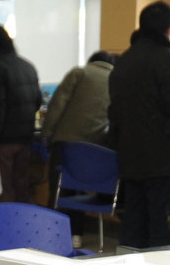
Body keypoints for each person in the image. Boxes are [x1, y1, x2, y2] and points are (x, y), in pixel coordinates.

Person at [107, 1, 170, 249]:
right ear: (168, 28)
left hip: (129, 156)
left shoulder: (123, 61)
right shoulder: (165, 58)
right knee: (162, 228)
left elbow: (114, 110)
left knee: (134, 225)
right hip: (161, 160)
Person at [42, 51, 116, 245]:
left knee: (59, 190)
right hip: (98, 150)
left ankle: (53, 234)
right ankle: (76, 235)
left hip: (67, 144)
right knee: (82, 190)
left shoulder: (80, 73)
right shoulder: (116, 80)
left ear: (91, 61)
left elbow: (58, 104)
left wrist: (47, 133)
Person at [0, 26, 42, 204]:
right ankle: (23, 226)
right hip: (25, 138)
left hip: (3, 141)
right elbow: (37, 101)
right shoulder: (27, 66)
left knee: (3, 188)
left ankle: (6, 227)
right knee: (22, 184)